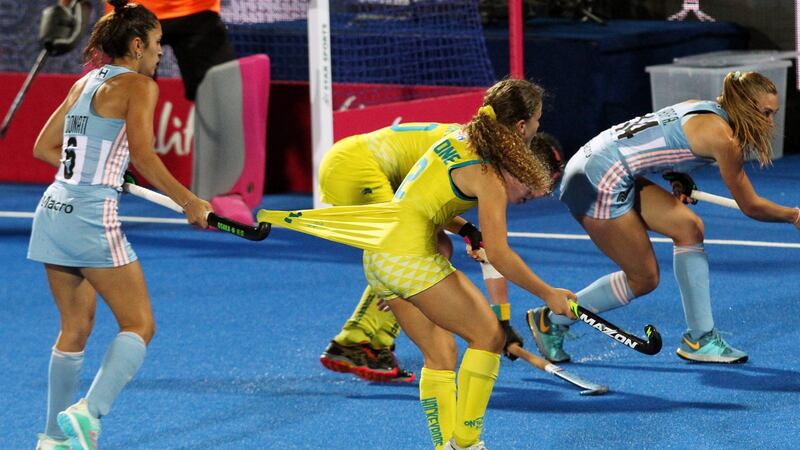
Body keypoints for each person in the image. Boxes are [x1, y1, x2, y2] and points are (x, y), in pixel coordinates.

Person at [258, 79, 576, 450]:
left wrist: (465, 235)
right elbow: (501, 255)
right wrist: (548, 292)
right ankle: (467, 443)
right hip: (407, 255)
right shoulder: (488, 176)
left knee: (441, 355)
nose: (538, 126)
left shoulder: (457, 138)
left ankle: (446, 447)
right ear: (520, 127)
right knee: (488, 336)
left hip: (378, 255)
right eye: (537, 120)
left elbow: (421, 201)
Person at [30, 2, 212, 449]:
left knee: (74, 329)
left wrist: (110, 173)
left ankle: (54, 439)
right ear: (136, 45)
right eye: (156, 45)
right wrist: (189, 202)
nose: (159, 54)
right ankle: (88, 415)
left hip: (54, 208)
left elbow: (44, 148)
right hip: (92, 217)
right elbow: (146, 156)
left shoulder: (83, 82)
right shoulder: (139, 85)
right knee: (139, 325)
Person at [528, 70, 799, 365]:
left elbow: (656, 141)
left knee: (689, 227)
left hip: (602, 162)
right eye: (766, 113)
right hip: (598, 179)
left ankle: (700, 338)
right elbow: (751, 206)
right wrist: (794, 215)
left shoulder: (703, 107)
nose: (771, 123)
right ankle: (553, 319)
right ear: (746, 105)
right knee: (644, 278)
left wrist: (676, 175)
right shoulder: (724, 139)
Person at [318, 127, 564, 384]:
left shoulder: (485, 156)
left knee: (438, 247)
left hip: (353, 165)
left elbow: (481, 245)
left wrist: (501, 320)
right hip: (356, 169)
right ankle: (358, 340)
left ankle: (366, 341)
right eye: (543, 181)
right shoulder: (479, 164)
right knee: (415, 249)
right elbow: (497, 252)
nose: (539, 194)